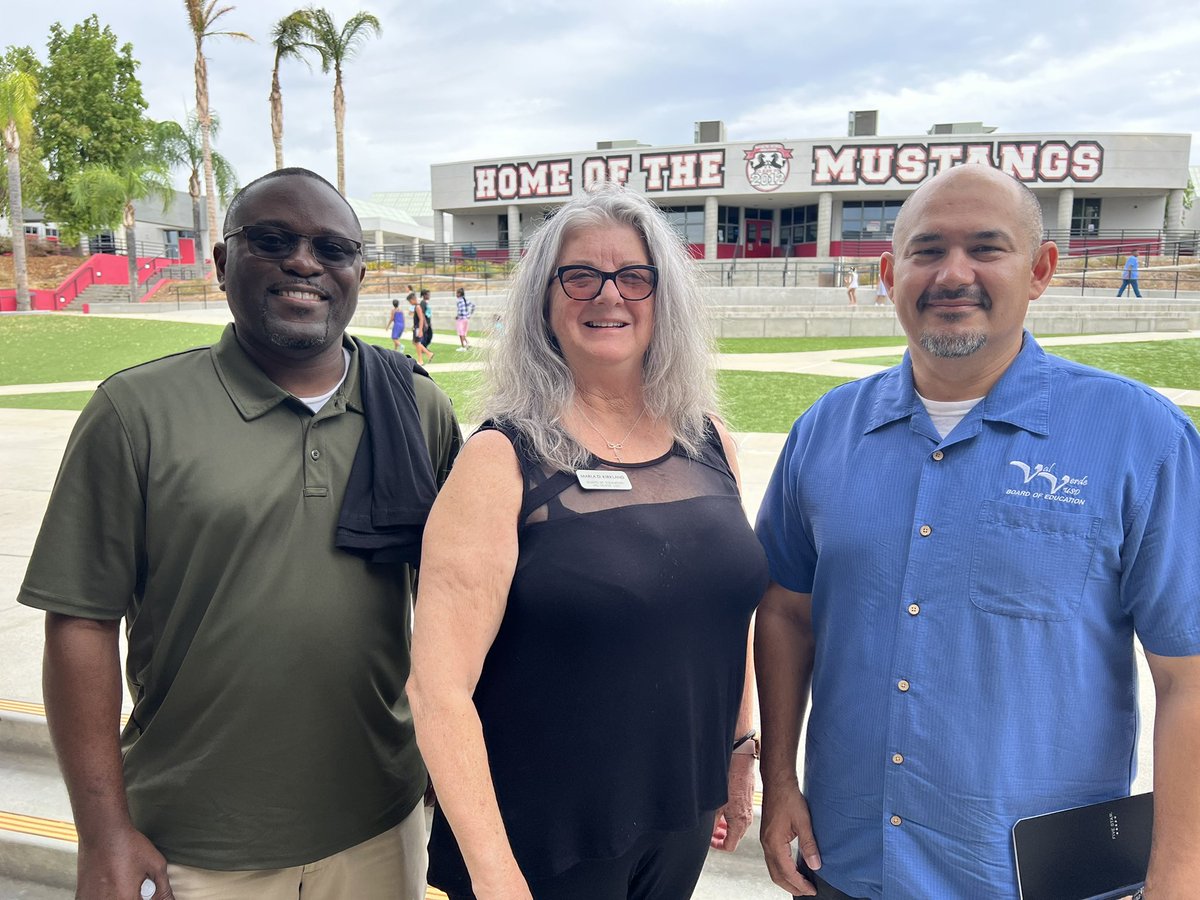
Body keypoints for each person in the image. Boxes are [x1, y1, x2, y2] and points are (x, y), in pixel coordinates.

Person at [754, 164, 1200, 899]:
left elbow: (1187, 676)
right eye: (927, 251)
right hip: (849, 862)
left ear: (1040, 270)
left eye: (986, 249)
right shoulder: (825, 431)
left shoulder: (1138, 437)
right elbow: (786, 612)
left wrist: (1178, 879)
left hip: (1037, 880)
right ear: (891, 274)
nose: (953, 274)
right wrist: (778, 780)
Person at [18, 167, 462, 900]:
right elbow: (80, 623)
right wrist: (103, 833)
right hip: (195, 842)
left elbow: (457, 609)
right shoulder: (136, 413)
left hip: (381, 828)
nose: (304, 262)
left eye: (333, 248)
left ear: (358, 273)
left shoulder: (416, 407)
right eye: (273, 240)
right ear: (223, 262)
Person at [408, 182, 767, 900]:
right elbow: (437, 689)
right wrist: (493, 874)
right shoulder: (501, 460)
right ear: (545, 300)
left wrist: (740, 746)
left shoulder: (708, 442)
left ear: (664, 298)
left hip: (679, 813)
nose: (609, 295)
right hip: (540, 839)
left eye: (634, 276)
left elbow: (730, 613)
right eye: (581, 276)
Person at [409, 290, 433, 365]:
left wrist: (420, 330)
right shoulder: (417, 306)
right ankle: (427, 354)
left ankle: (422, 359)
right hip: (416, 327)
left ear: (413, 300)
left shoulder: (418, 307)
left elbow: (421, 319)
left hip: (418, 328)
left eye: (410, 301)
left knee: (417, 343)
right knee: (415, 342)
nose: (410, 303)